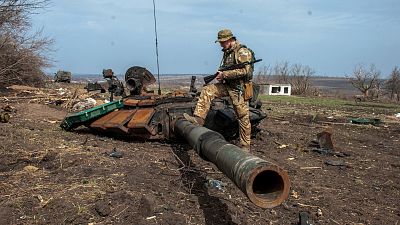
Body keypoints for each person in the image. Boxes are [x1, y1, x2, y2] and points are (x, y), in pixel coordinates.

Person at [184, 29, 255, 151]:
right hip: (227, 86)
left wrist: (225, 74)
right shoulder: (227, 52)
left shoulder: (242, 52)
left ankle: (245, 147)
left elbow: (245, 71)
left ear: (229, 40)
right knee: (208, 90)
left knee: (243, 117)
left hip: (239, 89)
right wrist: (220, 75)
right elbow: (225, 69)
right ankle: (198, 119)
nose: (221, 45)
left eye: (222, 42)